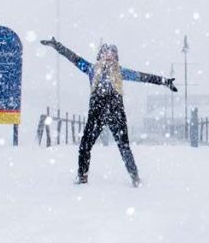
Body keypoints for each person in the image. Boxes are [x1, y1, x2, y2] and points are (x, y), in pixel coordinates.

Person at [40, 37, 178, 187]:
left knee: (124, 147)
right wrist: (57, 46)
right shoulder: (91, 69)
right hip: (96, 113)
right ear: (100, 55)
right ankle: (82, 176)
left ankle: (135, 177)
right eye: (106, 52)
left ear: (116, 57)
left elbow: (143, 76)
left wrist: (164, 81)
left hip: (116, 112)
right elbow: (73, 58)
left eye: (112, 53)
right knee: (85, 145)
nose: (108, 55)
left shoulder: (121, 72)